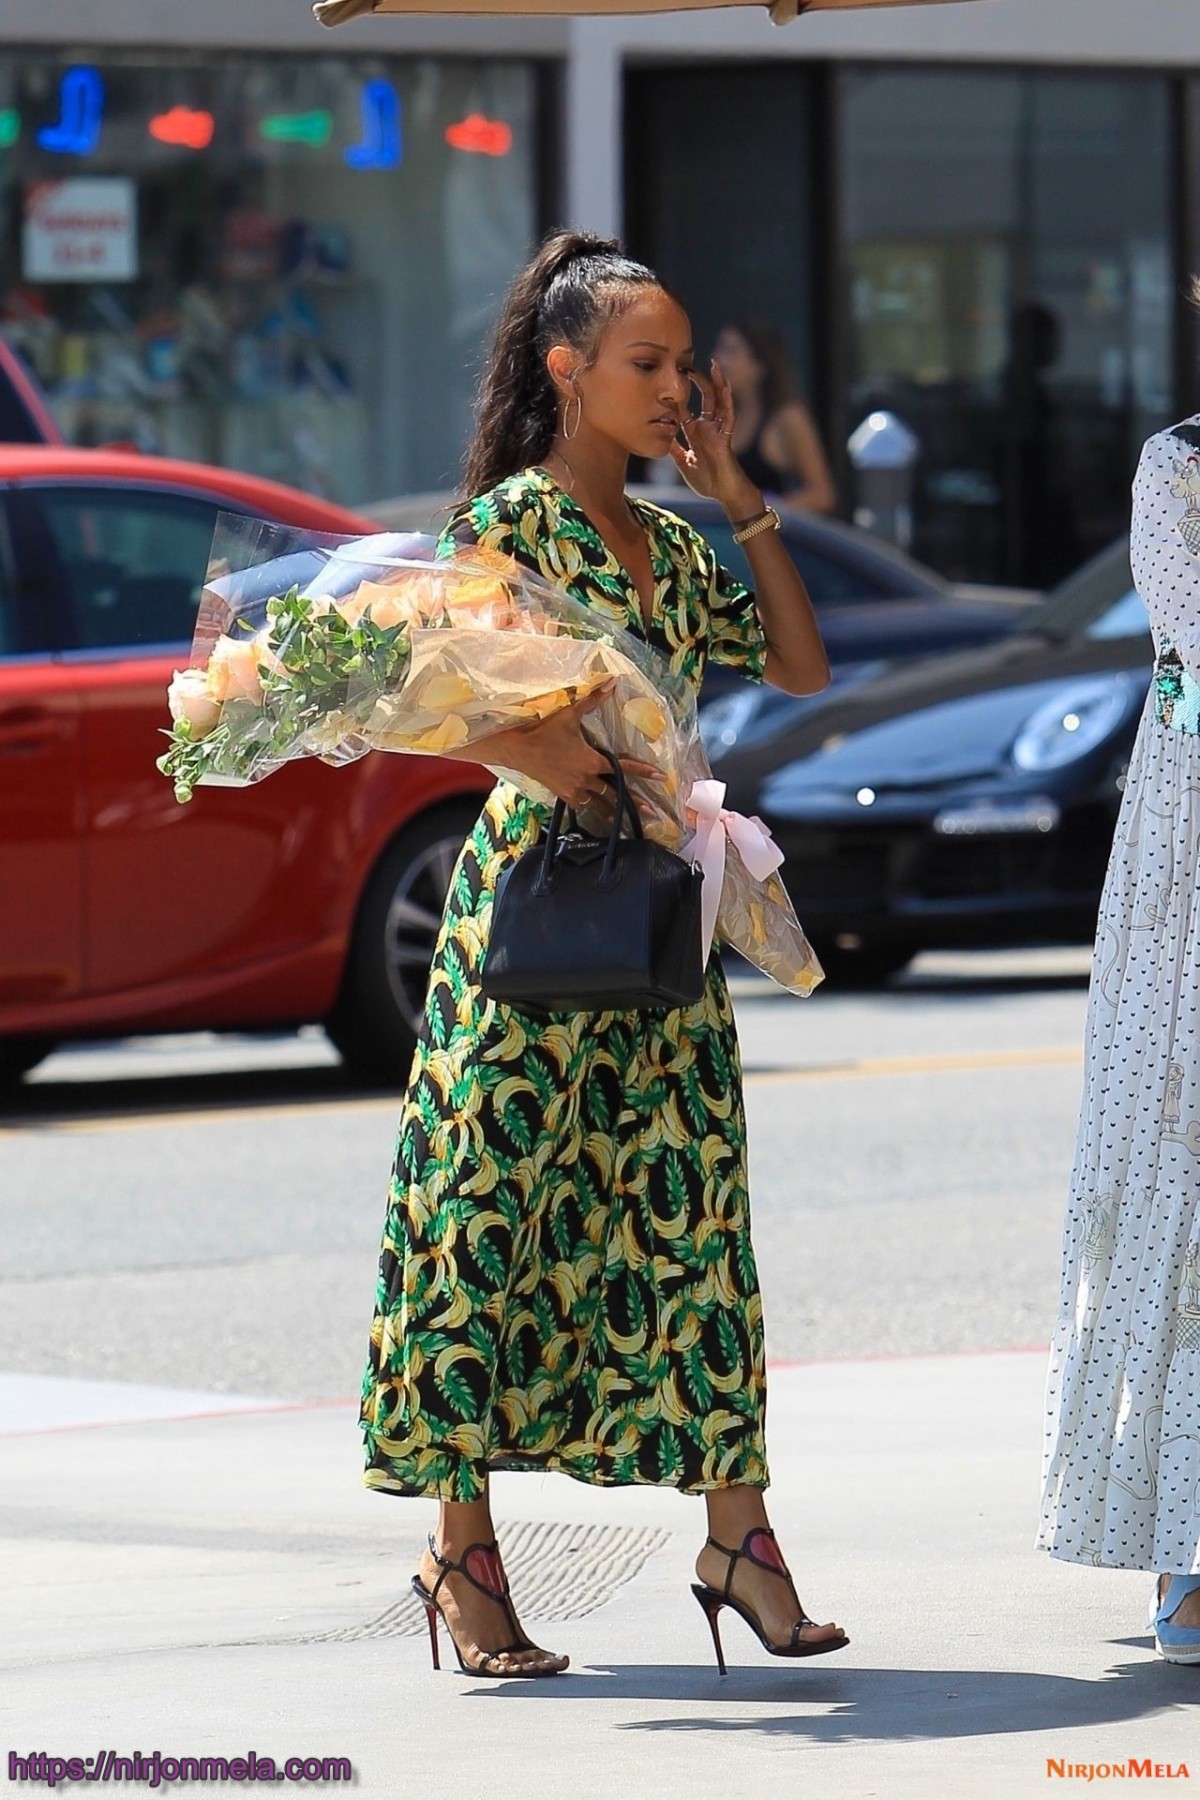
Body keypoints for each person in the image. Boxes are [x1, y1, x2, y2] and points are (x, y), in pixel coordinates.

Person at [358, 230, 840, 1679]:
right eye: (648, 363)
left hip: (660, 924)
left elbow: (803, 669)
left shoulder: (675, 538)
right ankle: (461, 1552)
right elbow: (420, 698)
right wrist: (552, 759)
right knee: (483, 1222)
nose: (677, 384)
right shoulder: (509, 527)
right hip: (537, 915)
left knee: (690, 1222)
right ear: (567, 370)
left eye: (688, 365)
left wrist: (742, 499)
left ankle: (739, 1541)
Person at [1037, 400, 1200, 1662]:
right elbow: (1193, 652)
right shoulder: (1181, 468)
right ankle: (1188, 1552)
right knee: (1180, 1186)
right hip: (1189, 863)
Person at [711, 320, 836, 515]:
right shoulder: (717, 418)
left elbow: (822, 496)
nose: (719, 360)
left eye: (731, 352)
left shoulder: (787, 419)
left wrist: (766, 509)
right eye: (719, 349)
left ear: (760, 365)